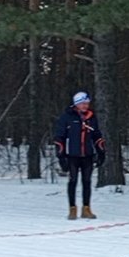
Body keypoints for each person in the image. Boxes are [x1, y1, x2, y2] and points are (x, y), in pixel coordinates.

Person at [52, 91, 106, 220]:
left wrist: (101, 152)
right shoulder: (67, 117)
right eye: (82, 103)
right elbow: (59, 138)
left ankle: (86, 208)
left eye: (87, 103)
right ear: (76, 104)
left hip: (87, 154)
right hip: (72, 155)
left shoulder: (91, 117)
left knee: (87, 181)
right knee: (73, 181)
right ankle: (72, 208)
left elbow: (97, 136)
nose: (85, 106)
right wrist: (61, 156)